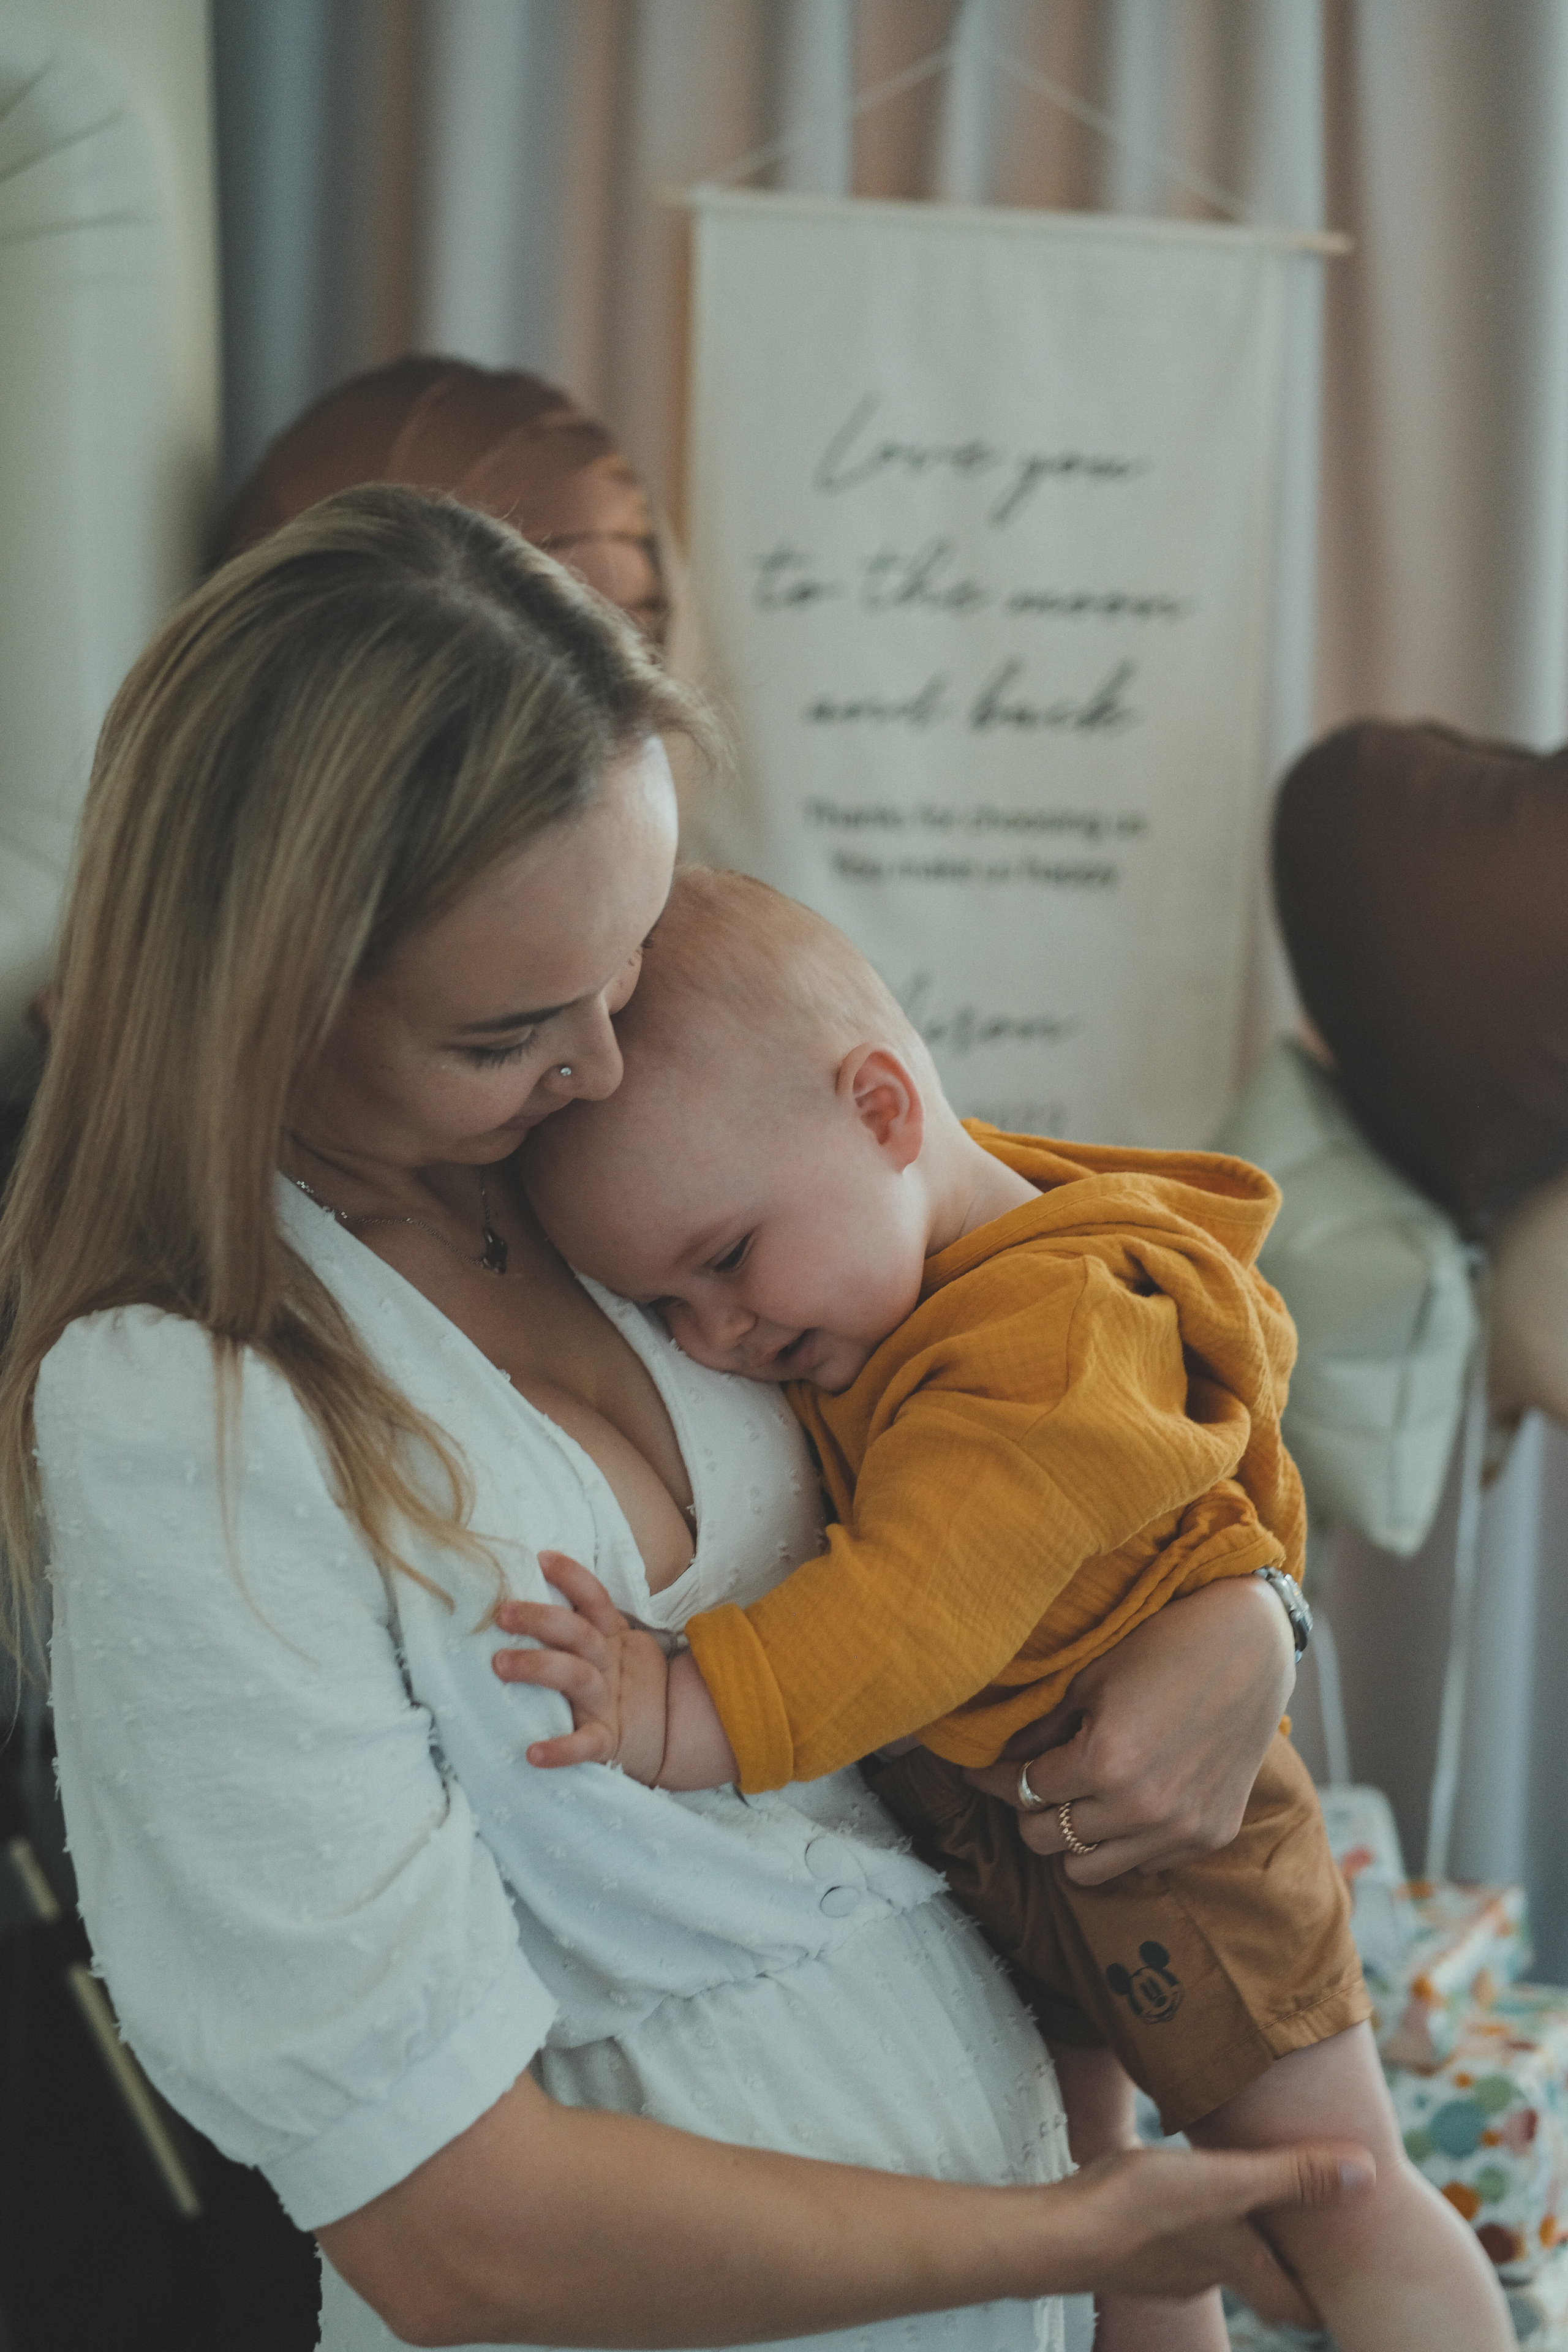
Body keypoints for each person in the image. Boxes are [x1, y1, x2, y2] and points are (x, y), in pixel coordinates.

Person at [0, 485, 1373, 2352]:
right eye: (509, 1032)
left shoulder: (636, 1160)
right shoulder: (183, 1409)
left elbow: (1095, 1359)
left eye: (626, 964)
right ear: (278, 998)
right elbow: (452, 2232)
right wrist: (1080, 2235)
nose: (598, 1064)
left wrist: (1253, 1616)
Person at [508, 866, 1514, 2352]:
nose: (717, 1334)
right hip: (1007, 1848)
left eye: (724, 1259)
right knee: (1110, 2204)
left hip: (1179, 1857)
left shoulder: (1041, 1331)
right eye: (665, 1310)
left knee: (1328, 2192)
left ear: (881, 1110)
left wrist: (678, 1704)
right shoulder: (904, 1284)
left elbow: (910, 1610)